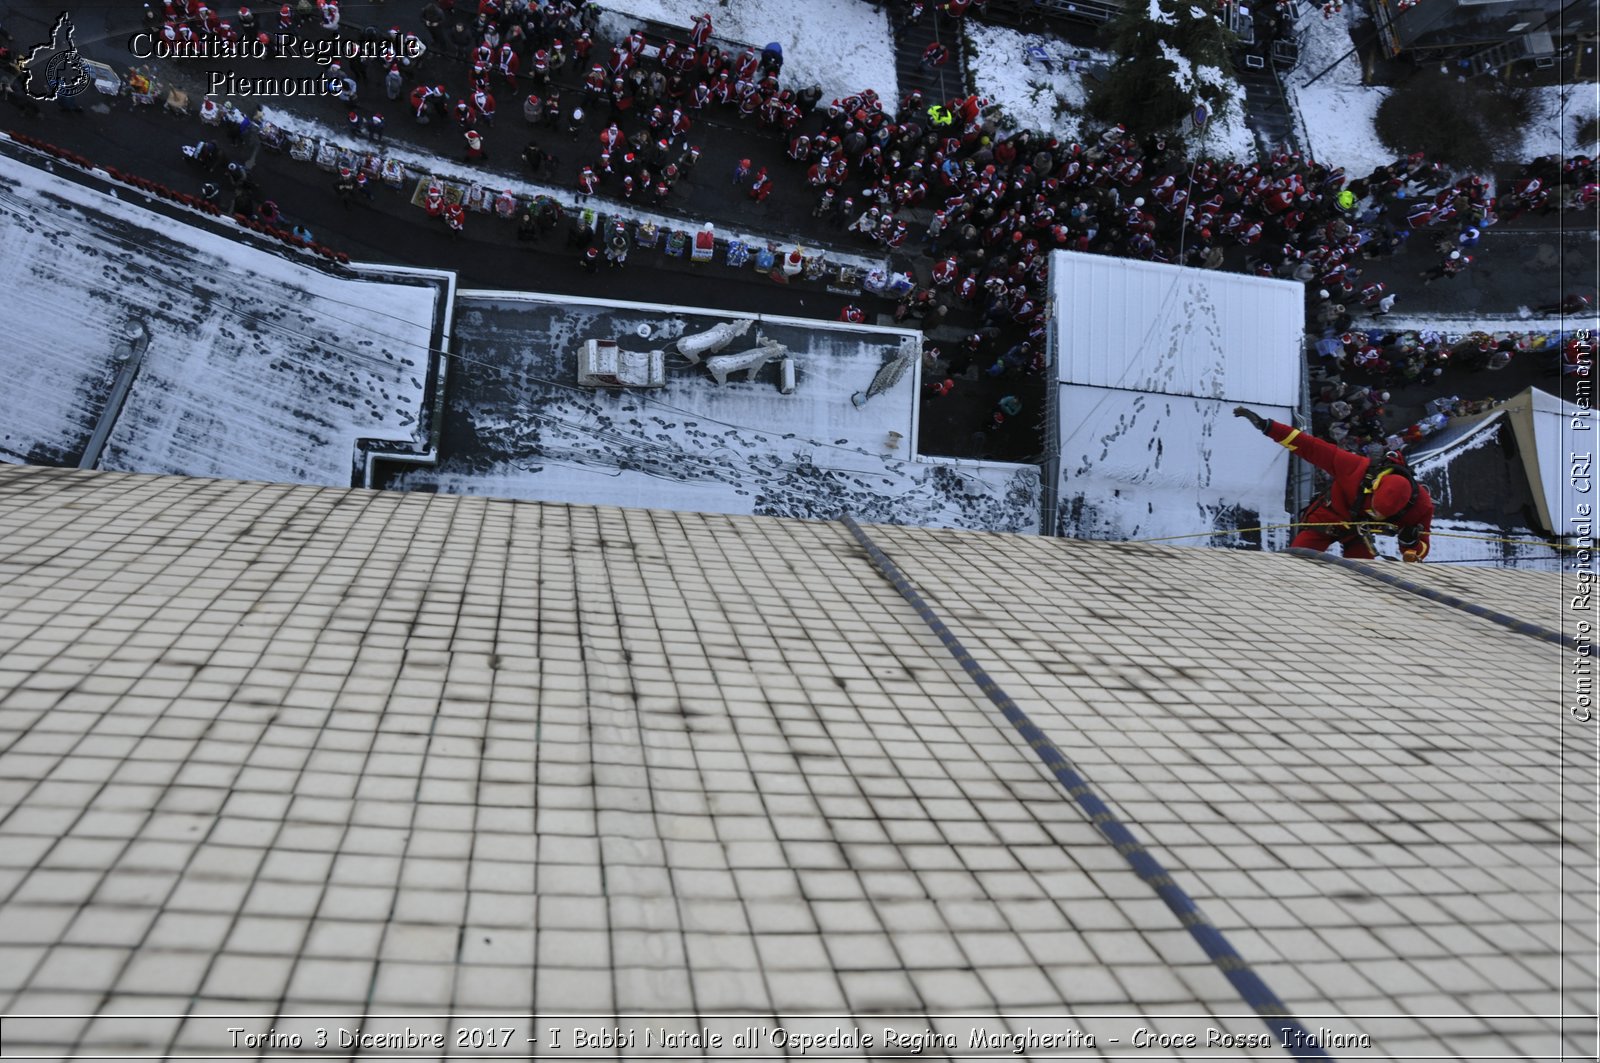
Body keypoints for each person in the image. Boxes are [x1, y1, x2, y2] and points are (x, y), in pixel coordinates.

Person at [1233, 407, 1433, 561]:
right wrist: (1267, 426)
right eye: (1375, 510)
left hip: (1358, 533)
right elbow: (1310, 447)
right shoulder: (1356, 469)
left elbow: (1418, 552)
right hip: (1327, 517)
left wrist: (1410, 543)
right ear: (1374, 487)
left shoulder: (1420, 508)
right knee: (1294, 562)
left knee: (1362, 577)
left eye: (1381, 515)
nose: (1376, 515)